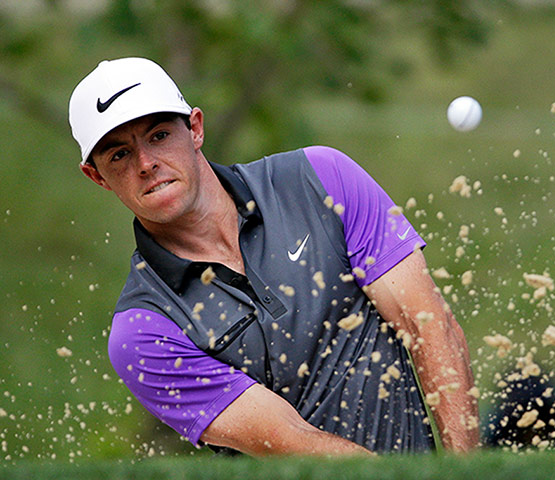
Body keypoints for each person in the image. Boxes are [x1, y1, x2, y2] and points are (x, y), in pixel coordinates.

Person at [69, 57, 479, 456]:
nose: (146, 163)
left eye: (159, 135)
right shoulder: (143, 330)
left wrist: (465, 474)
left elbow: (428, 327)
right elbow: (293, 442)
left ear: (195, 128)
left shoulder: (320, 179)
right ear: (96, 176)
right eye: (119, 154)